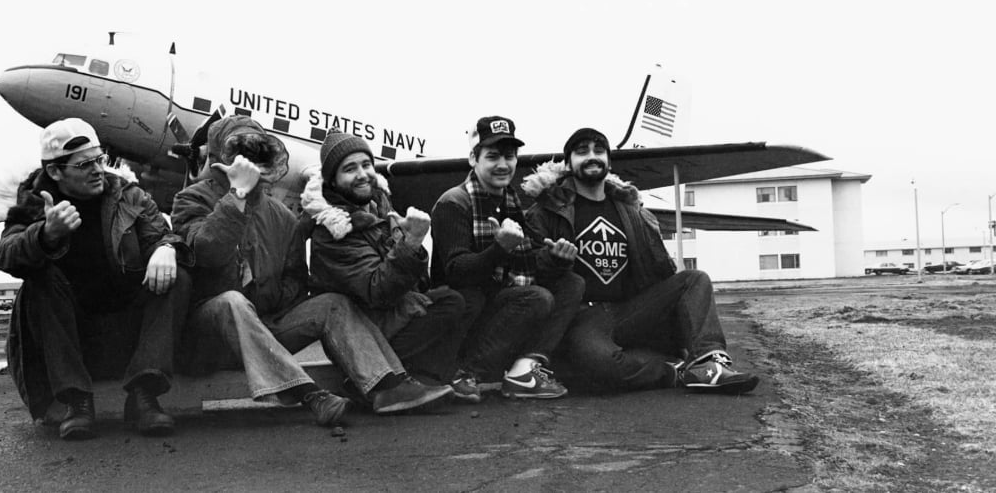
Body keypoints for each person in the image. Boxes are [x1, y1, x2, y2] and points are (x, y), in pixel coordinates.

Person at [172, 116, 449, 423]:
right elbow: (206, 252)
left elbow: (294, 280)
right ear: (217, 159)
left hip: (264, 328)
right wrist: (235, 196)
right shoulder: (191, 199)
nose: (249, 163)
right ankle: (309, 394)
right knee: (232, 303)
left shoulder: (282, 215)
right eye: (238, 154)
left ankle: (387, 386)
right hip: (206, 339)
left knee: (332, 303)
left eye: (255, 154)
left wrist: (272, 298)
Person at [0, 118, 193, 440]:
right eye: (84, 164)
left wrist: (167, 247)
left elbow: (163, 234)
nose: (98, 169)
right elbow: (6, 255)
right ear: (56, 171)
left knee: (176, 275)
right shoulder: (33, 201)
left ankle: (144, 395)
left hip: (128, 333)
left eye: (99, 159)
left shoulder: (128, 194)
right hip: (71, 339)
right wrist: (45, 234)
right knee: (38, 278)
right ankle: (77, 401)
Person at [522, 127, 759, 394]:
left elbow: (660, 270)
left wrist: (676, 326)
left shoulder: (632, 211)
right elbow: (528, 270)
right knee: (602, 366)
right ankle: (672, 371)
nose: (592, 157)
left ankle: (708, 362)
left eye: (599, 151)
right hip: (582, 316)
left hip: (629, 309)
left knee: (695, 279)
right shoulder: (546, 211)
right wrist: (553, 259)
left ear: (609, 162)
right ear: (567, 164)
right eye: (581, 152)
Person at [302, 129, 465, 402]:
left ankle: (426, 380)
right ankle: (369, 381)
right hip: (363, 337)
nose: (363, 174)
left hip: (388, 320)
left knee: (453, 300)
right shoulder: (334, 230)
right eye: (349, 169)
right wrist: (410, 243)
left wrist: (408, 246)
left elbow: (417, 283)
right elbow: (376, 291)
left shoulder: (377, 209)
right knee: (447, 303)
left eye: (366, 164)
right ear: (332, 180)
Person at [430, 116, 585, 402]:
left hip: (499, 300)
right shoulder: (453, 203)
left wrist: (555, 259)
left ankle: (525, 370)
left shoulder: (511, 203)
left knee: (571, 283)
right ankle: (465, 373)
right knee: (536, 298)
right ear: (472, 159)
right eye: (492, 156)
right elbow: (455, 273)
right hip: (464, 313)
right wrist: (499, 248)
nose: (503, 164)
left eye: (509, 156)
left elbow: (529, 264)